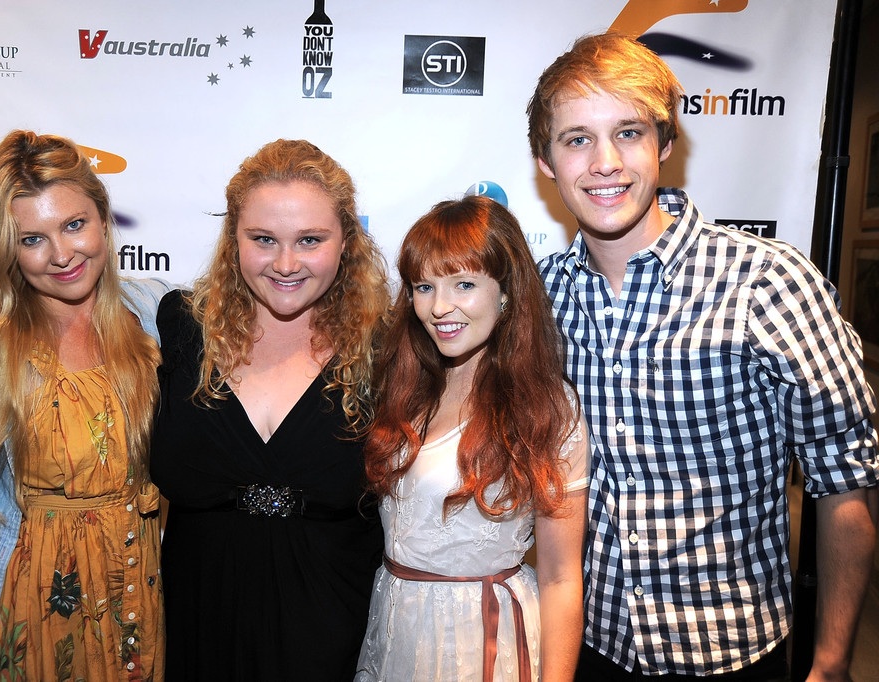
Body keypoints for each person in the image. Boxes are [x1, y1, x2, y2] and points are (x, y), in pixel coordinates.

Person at [528, 32, 879, 681]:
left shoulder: (769, 284)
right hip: (593, 651)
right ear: (546, 162)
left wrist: (830, 666)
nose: (604, 162)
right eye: (577, 138)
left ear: (664, 144)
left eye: (628, 132)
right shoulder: (539, 295)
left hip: (734, 655)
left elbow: (847, 486)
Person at [0, 130, 169, 682]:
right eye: (32, 239)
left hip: (136, 604)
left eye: (75, 224)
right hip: (20, 610)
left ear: (103, 218)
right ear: (6, 247)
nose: (63, 254)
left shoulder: (156, 316)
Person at [149, 138, 391, 680]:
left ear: (347, 241)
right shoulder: (183, 329)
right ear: (232, 238)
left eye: (310, 240)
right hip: (198, 623)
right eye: (263, 239)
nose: (285, 264)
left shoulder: (391, 348)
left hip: (335, 628)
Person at [355, 195, 589, 682]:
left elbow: (561, 576)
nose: (440, 307)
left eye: (464, 284)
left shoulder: (546, 405)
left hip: (482, 640)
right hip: (396, 625)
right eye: (424, 286)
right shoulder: (407, 386)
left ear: (507, 292)